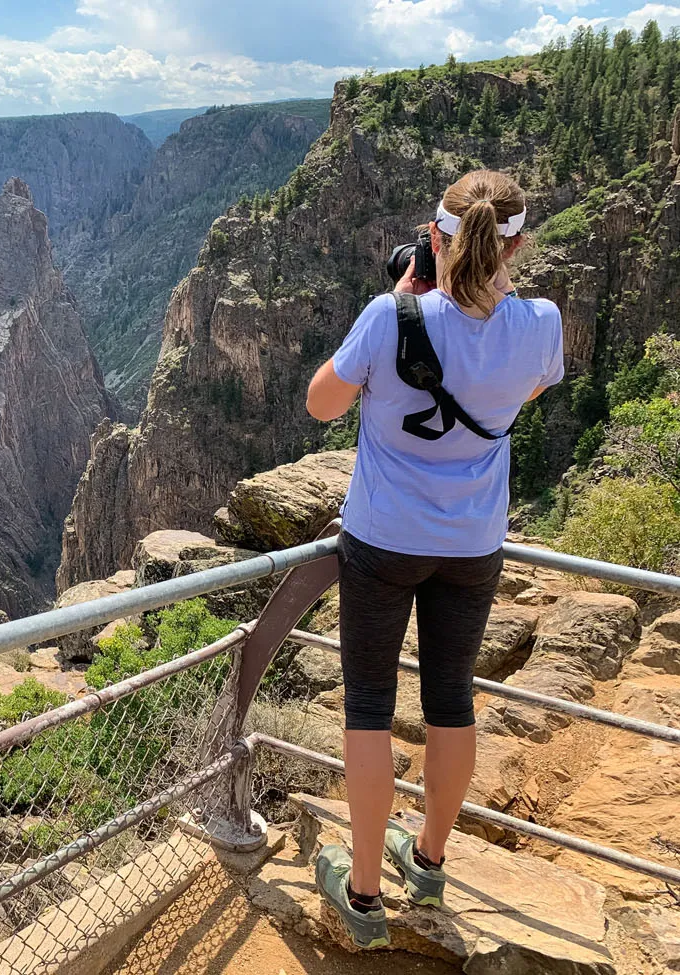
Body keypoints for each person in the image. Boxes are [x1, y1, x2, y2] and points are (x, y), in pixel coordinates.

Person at [304, 169, 565, 949]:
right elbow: (524, 394)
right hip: (475, 544)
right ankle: (428, 860)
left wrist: (415, 301)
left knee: (368, 708)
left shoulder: (391, 316)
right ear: (516, 243)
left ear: (436, 240)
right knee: (451, 699)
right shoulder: (542, 323)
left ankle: (362, 893)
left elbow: (322, 401)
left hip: (384, 539)